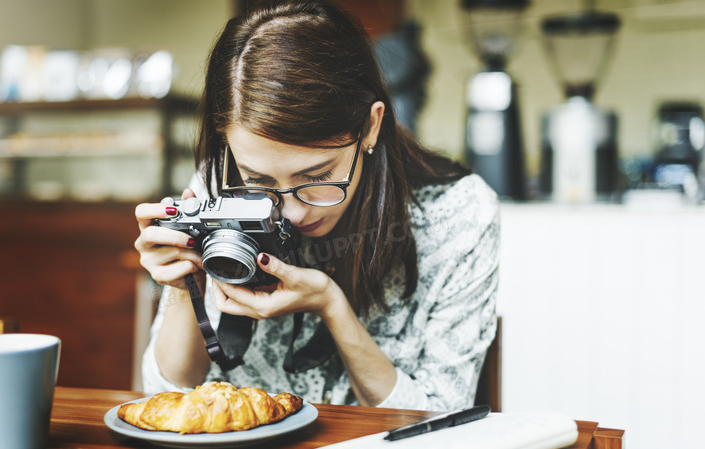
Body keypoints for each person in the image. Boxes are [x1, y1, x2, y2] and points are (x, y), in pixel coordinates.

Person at [134, 0, 499, 412]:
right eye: (259, 180)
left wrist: (331, 305)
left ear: (370, 126)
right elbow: (166, 398)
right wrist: (186, 284)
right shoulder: (219, 185)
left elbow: (440, 419)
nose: (291, 212)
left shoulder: (458, 215)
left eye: (315, 177)